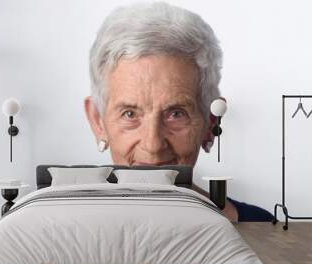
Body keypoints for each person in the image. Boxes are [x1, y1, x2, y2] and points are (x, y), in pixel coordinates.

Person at [84, 2, 273, 222]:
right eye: (130, 114)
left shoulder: (262, 226)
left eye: (176, 114)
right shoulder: (64, 231)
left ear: (210, 123)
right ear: (98, 121)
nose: (153, 145)